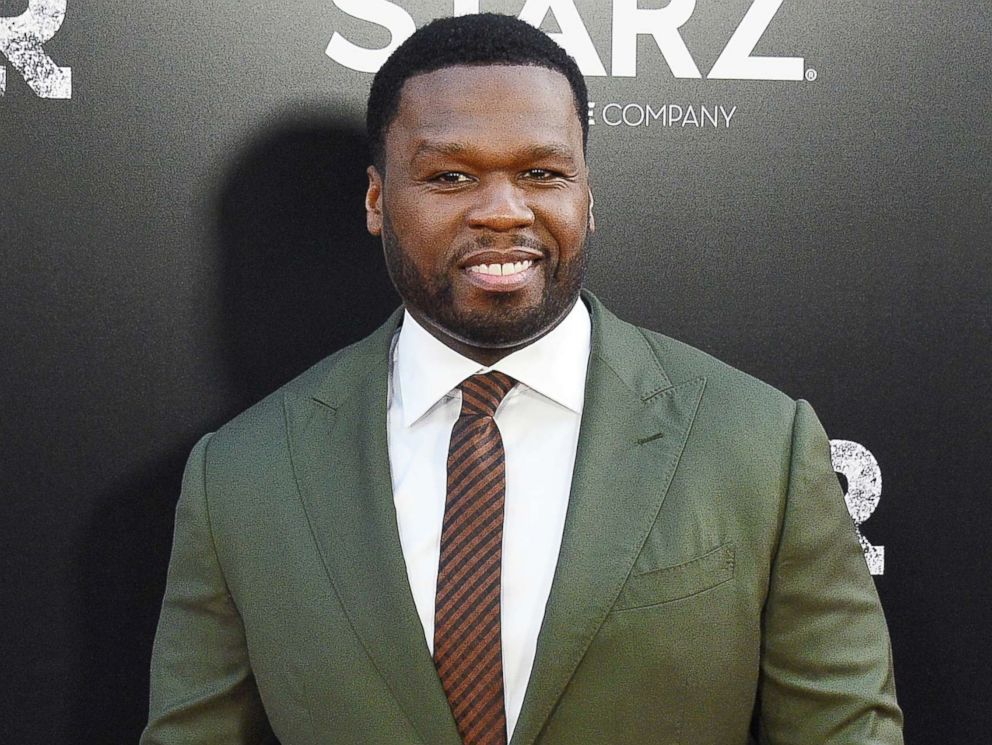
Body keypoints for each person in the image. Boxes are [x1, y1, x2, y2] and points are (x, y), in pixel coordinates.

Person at [141, 13, 903, 745]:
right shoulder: (240, 476)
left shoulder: (761, 445)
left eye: (542, 171)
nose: (504, 211)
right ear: (378, 201)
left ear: (587, 195)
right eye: (450, 176)